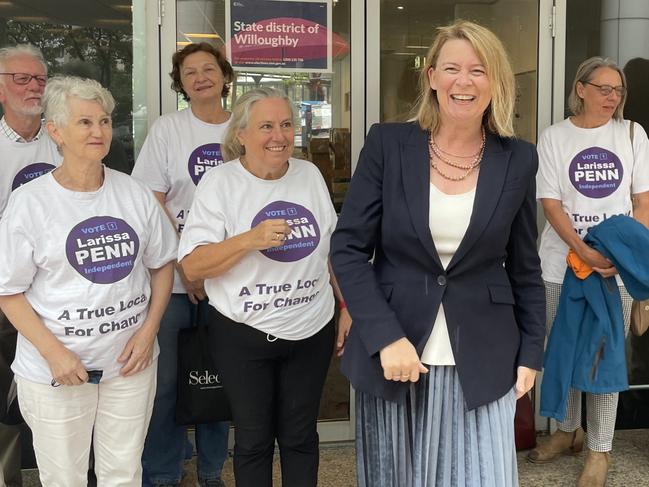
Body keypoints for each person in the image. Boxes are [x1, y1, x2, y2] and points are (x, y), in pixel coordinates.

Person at [330, 20, 545, 487]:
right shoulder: (388, 144)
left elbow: (525, 265)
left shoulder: (519, 158)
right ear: (431, 77)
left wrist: (532, 352)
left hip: (484, 357)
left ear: (496, 82)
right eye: (451, 68)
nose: (463, 82)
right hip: (397, 355)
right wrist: (386, 337)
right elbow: (347, 249)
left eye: (478, 70)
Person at [0, 75, 177, 486]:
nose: (98, 131)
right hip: (55, 372)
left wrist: (149, 331)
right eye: (84, 122)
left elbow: (163, 264)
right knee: (65, 477)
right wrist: (54, 354)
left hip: (129, 365)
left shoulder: (133, 193)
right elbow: (8, 291)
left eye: (103, 121)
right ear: (55, 131)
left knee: (123, 472)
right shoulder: (31, 203)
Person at [178, 87, 351, 487]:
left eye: (287, 125)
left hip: (311, 328)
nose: (279, 135)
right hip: (243, 333)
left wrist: (347, 308)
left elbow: (331, 250)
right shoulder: (220, 182)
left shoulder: (308, 174)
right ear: (241, 134)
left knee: (301, 436)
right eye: (267, 126)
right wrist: (249, 240)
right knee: (254, 439)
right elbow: (192, 267)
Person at [528, 56, 649, 486]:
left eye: (618, 91)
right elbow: (551, 204)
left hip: (613, 271)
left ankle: (600, 450)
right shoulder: (554, 137)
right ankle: (567, 431)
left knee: (602, 357)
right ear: (580, 89)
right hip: (561, 266)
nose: (612, 97)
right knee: (565, 348)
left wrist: (623, 255)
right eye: (604, 88)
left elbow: (642, 204)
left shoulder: (632, 134)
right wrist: (583, 250)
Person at [131, 42, 234, 487]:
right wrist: (184, 267)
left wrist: (210, 268)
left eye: (208, 69)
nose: (200, 78)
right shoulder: (168, 130)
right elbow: (151, 201)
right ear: (180, 84)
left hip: (230, 278)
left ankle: (211, 471)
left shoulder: (243, 128)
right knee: (166, 385)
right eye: (189, 72)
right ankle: (162, 473)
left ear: (225, 76)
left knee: (219, 380)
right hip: (171, 282)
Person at [0, 43, 61, 487]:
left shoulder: (66, 140)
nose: (32, 87)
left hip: (60, 291)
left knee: (59, 390)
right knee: (3, 398)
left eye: (39, 79)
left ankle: (65, 474)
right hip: (5, 289)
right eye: (21, 78)